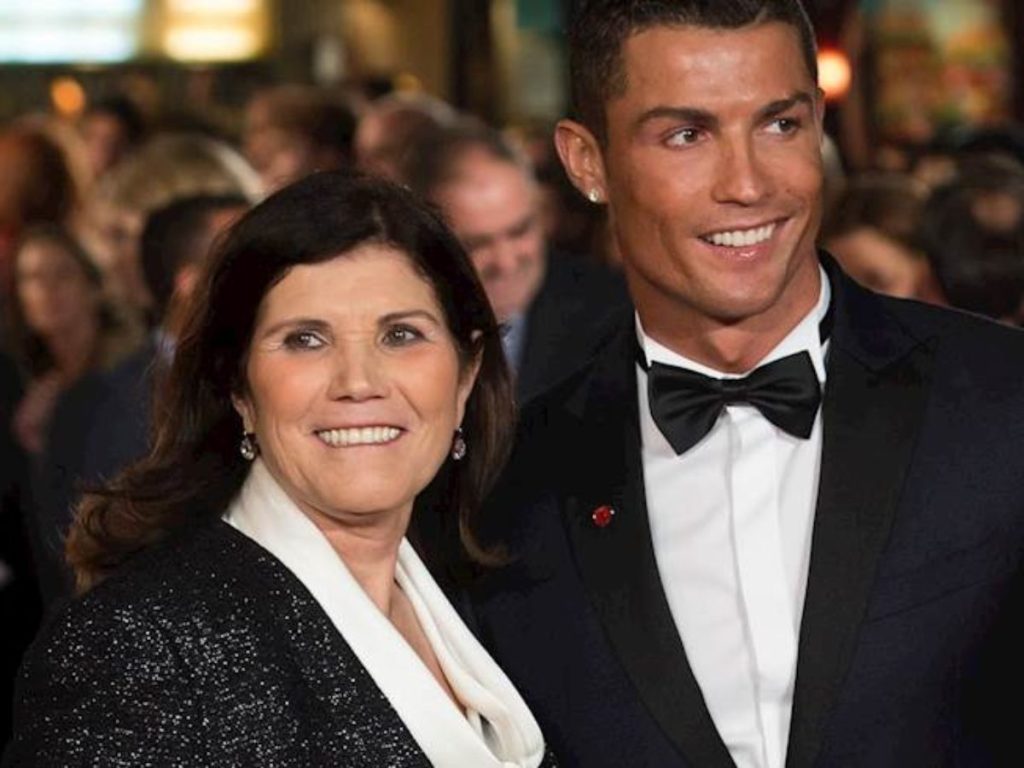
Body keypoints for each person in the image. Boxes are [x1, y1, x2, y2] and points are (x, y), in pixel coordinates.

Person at [463, 2, 1024, 766]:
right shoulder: (508, 492)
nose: (748, 184)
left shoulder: (1001, 400)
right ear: (587, 161)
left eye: (779, 125)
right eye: (687, 135)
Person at [5, 171, 554, 767]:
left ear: (466, 375)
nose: (359, 382)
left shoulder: (483, 604)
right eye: (306, 340)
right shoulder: (138, 645)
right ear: (239, 387)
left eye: (401, 334)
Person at [406, 118, 629, 402]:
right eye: (476, 244)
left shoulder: (617, 315)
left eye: (519, 231)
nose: (506, 262)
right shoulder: (395, 321)